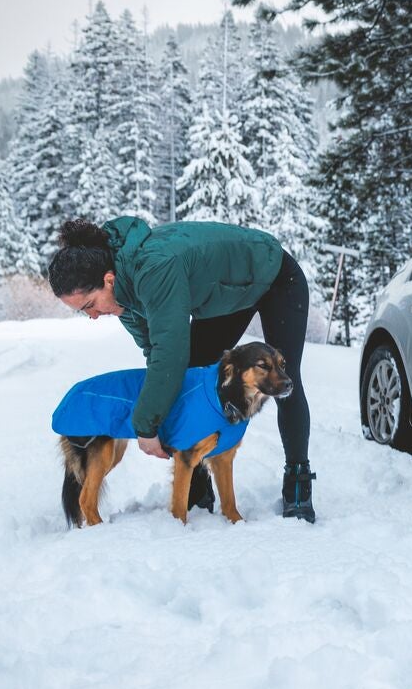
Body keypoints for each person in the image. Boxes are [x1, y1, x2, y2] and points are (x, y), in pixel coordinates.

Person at [47, 216, 317, 522]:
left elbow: (170, 353)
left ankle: (298, 481)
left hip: (273, 276)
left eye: (89, 305)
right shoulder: (123, 296)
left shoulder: (154, 269)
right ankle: (198, 479)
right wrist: (158, 413)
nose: (93, 316)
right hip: (224, 297)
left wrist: (146, 427)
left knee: (284, 380)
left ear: (108, 280)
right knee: (193, 377)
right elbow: (156, 352)